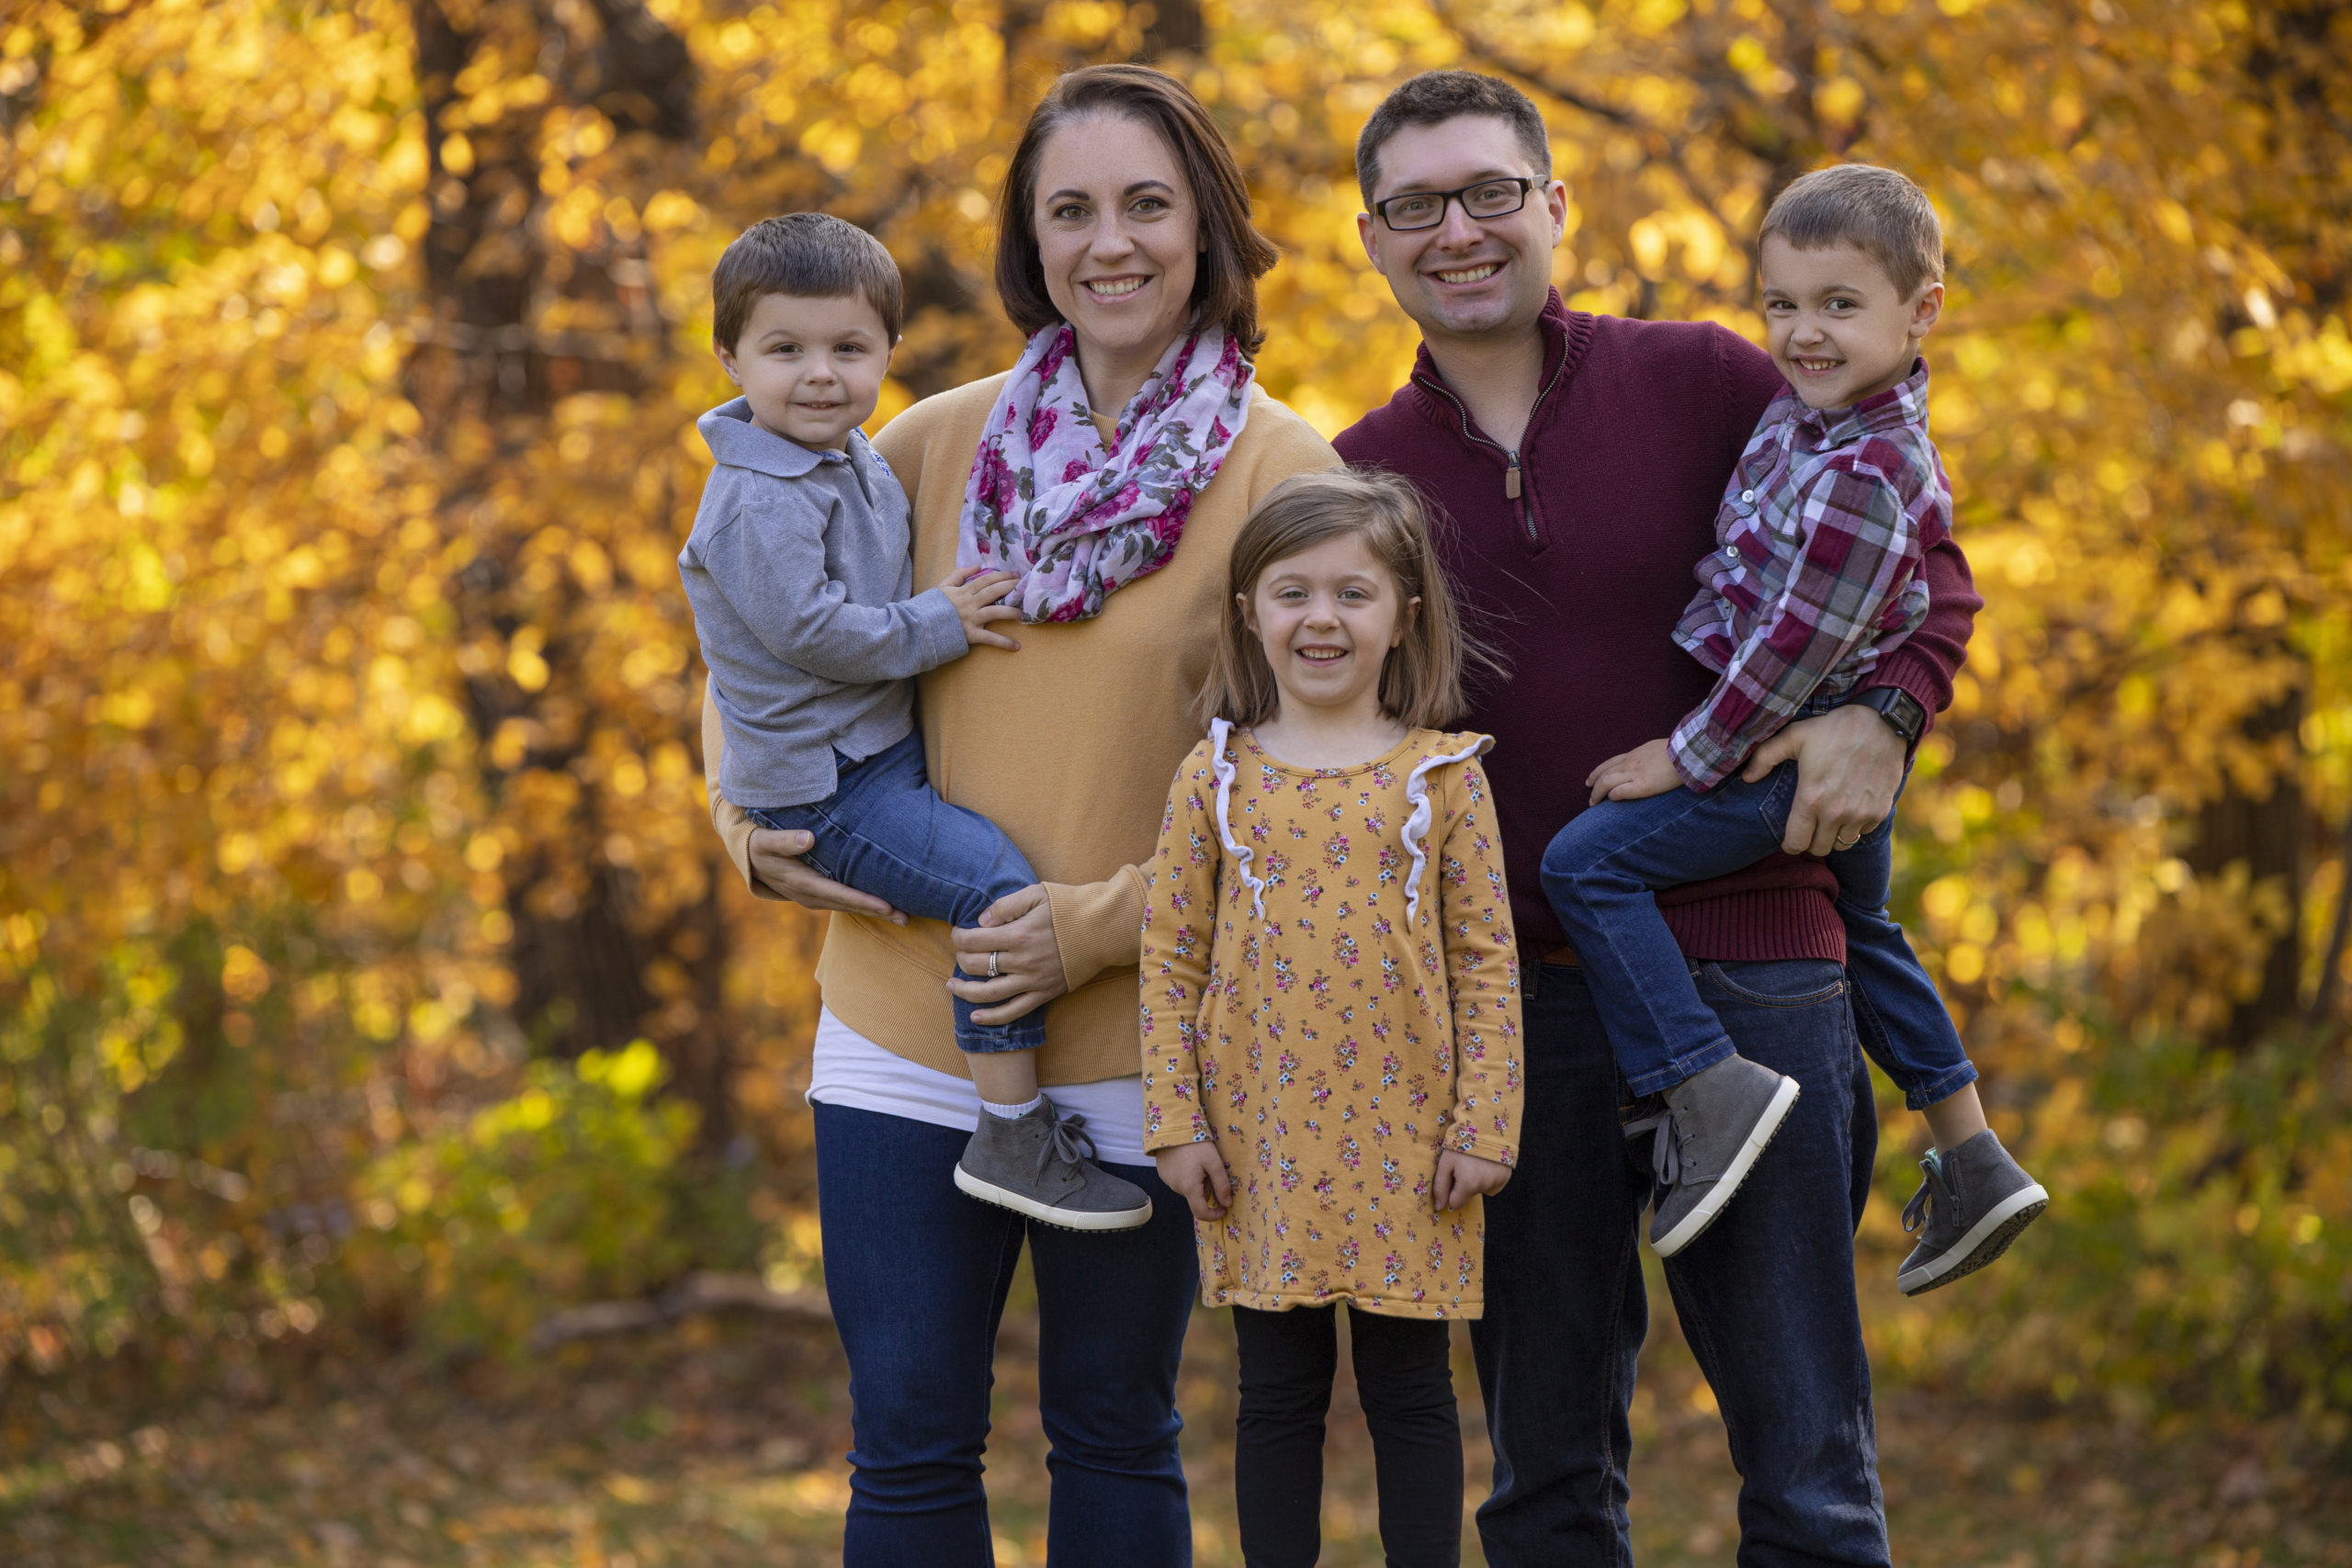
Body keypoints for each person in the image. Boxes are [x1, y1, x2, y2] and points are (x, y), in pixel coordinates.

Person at [1337, 70, 1984, 1566]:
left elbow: (1925, 567)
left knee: (1810, 1477)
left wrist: (1887, 719)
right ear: (1371, 237)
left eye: (1492, 190)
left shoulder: (1710, 376)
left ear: (1557, 205)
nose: (1460, 229)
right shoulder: (1359, 476)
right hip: (1514, 1017)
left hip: (1755, 966)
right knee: (1547, 1483)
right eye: (1418, 204)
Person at [700, 64, 1340, 1567]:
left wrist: (1088, 931)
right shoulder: (922, 440)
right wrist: (750, 828)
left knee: (1116, 1429)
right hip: (900, 1038)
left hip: (1135, 1037)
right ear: (1030, 241)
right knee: (911, 1438)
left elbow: (1314, 794)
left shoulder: (1292, 479)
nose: (1107, 242)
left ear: (1206, 229)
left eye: (1144, 205)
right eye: (1071, 211)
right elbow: (744, 643)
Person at [1539, 164, 2047, 1283]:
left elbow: (1794, 649)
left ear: (1922, 312)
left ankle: (1703, 1084)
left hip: (1789, 753)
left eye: (1838, 305)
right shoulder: (1804, 415)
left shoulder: (1869, 465)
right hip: (1795, 739)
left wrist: (1684, 757)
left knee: (1584, 866)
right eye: (1782, 304)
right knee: (1868, 935)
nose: (1804, 333)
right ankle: (1972, 1156)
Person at [680, 211, 1149, 1229]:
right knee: (991, 884)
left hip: (874, 758)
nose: (819, 374)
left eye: (848, 349)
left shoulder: (848, 455)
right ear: (730, 357)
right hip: (830, 785)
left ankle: (1016, 1116)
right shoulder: (757, 498)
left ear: (888, 351)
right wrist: (942, 621)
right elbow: (809, 633)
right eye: (785, 350)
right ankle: (1013, 1129)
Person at [1142, 469, 1523, 1568]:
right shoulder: (1214, 777)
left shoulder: (1443, 777)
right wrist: (1177, 1125)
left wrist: (1484, 1128)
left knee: (1412, 1398)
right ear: (1248, 614)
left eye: (1352, 594)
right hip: (1259, 1142)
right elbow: (1167, 957)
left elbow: (1487, 963)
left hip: (1415, 1143)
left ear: (1403, 617)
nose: (1321, 618)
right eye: (1292, 592)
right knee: (1275, 1396)